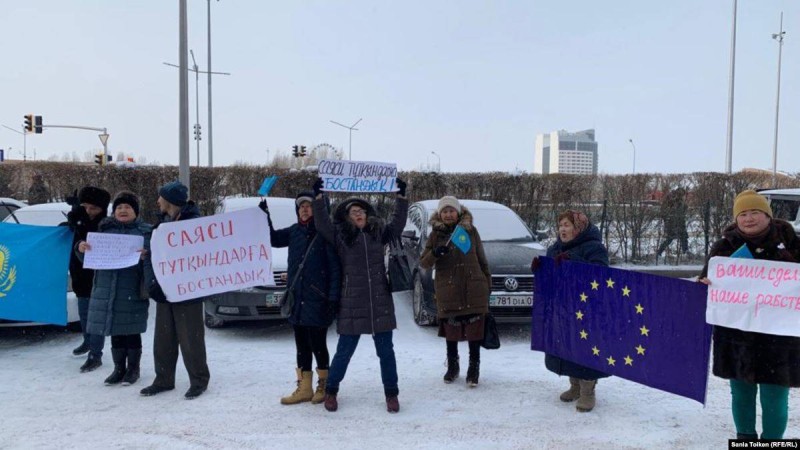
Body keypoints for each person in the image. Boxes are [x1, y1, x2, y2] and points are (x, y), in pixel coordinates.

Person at [699, 190, 800, 440]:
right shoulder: (724, 247)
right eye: (743, 214)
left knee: (774, 397)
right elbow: (706, 280)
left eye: (755, 212)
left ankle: (771, 443)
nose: (749, 218)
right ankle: (745, 440)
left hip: (779, 337)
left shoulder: (793, 244)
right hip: (736, 336)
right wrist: (705, 283)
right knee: (741, 394)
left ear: (768, 216)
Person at [312, 177, 408, 413]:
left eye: (362, 210)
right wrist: (318, 198)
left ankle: (391, 394)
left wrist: (402, 198)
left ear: (368, 214)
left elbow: (397, 225)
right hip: (351, 302)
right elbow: (322, 223)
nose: (358, 214)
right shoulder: (341, 236)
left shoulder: (379, 232)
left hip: (379, 301)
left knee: (386, 352)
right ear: (347, 216)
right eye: (354, 211)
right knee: (344, 351)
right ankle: (331, 391)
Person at [259, 192, 341, 405]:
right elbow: (273, 238)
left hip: (318, 299)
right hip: (297, 300)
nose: (304, 209)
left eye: (309, 205)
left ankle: (323, 385)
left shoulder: (324, 234)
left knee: (318, 344)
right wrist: (263, 215)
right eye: (301, 206)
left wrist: (332, 300)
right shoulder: (294, 231)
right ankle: (304, 387)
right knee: (301, 345)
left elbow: (334, 269)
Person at [140, 181, 211, 400]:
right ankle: (163, 379)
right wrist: (153, 282)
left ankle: (199, 381)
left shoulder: (194, 224)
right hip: (165, 291)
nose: (157, 201)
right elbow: (154, 255)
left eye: (160, 197)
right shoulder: (162, 223)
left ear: (170, 201)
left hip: (187, 292)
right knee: (163, 338)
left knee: (191, 338)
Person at [535, 210, 610, 413]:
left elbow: (601, 274)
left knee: (585, 347)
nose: (562, 229)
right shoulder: (555, 248)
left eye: (567, 225)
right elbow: (551, 277)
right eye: (560, 225)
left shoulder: (595, 248)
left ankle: (588, 390)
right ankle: (574, 385)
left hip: (587, 309)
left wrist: (573, 259)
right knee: (567, 345)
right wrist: (540, 269)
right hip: (564, 308)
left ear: (578, 228)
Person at [78, 192, 153, 386]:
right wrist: (81, 248)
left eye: (127, 207)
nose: (123, 210)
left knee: (131, 331)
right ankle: (118, 368)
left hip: (131, 290)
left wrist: (147, 255)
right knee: (115, 331)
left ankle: (133, 369)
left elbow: (155, 259)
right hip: (106, 289)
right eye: (119, 207)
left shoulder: (146, 232)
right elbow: (87, 261)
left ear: (135, 212)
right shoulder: (103, 231)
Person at [419, 196, 490, 387]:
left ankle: (473, 370)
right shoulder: (435, 235)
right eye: (445, 211)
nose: (448, 214)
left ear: (458, 212)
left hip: (473, 288)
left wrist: (486, 284)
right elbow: (423, 262)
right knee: (452, 333)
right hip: (448, 289)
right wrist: (436, 253)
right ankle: (453, 366)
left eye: (451, 210)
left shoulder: (470, 231)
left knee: (475, 333)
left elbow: (482, 259)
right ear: (439, 214)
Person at [65, 186, 111, 373]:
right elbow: (68, 235)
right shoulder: (78, 220)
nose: (89, 211)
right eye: (86, 207)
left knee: (96, 317)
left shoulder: (106, 225)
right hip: (80, 275)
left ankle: (96, 353)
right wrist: (74, 220)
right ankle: (87, 340)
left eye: (94, 208)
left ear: (102, 208)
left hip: (98, 276)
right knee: (83, 311)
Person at [656, 187, 689, 257]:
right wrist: (668, 220)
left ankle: (685, 252)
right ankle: (659, 252)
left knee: (683, 238)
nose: (683, 196)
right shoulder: (672, 200)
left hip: (679, 223)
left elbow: (683, 210)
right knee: (670, 239)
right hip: (672, 223)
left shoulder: (679, 201)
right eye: (682, 194)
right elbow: (665, 211)